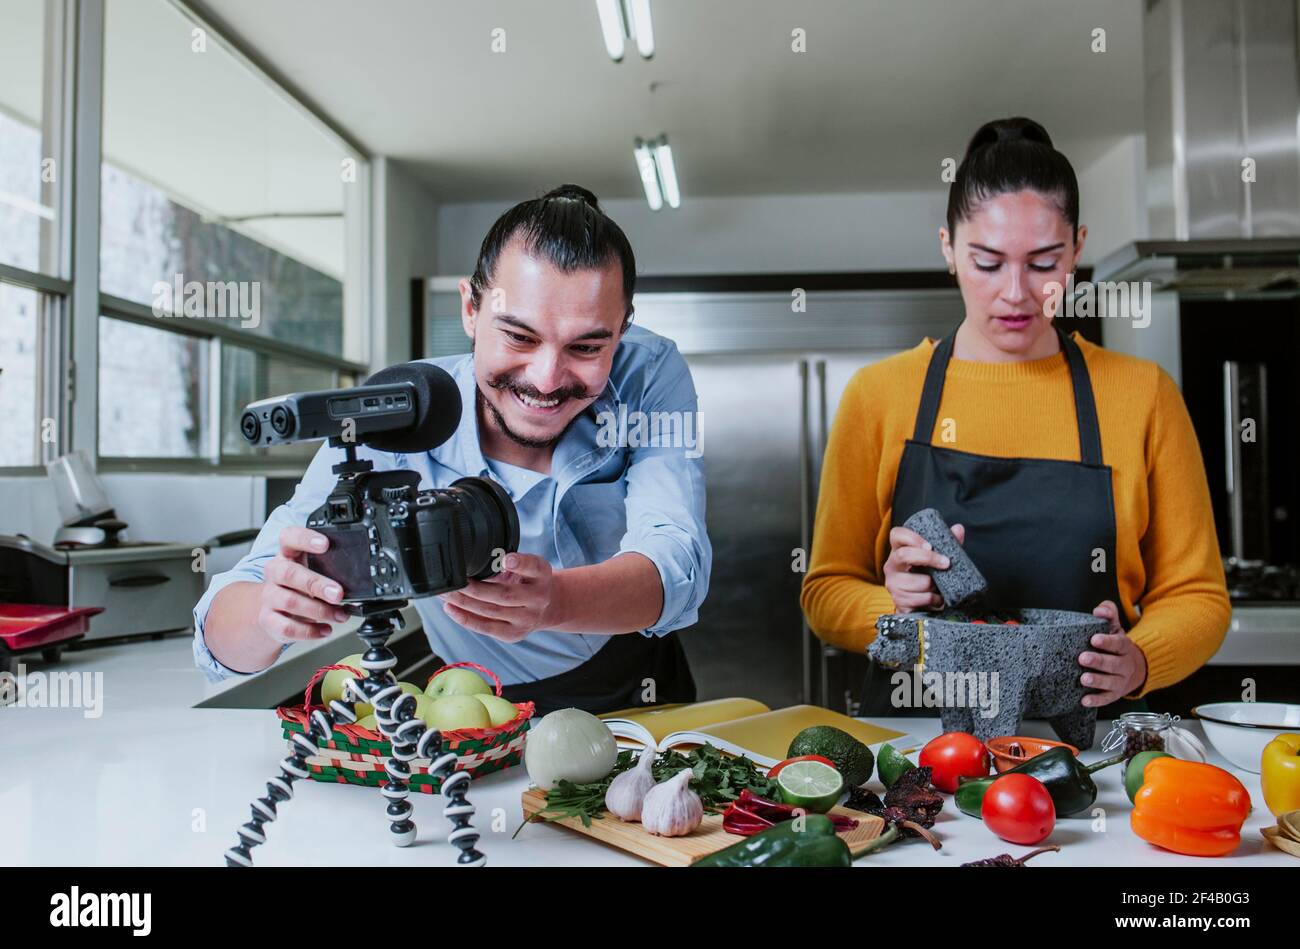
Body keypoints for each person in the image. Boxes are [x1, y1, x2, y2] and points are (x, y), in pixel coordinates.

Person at [193, 184, 710, 715]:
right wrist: (270, 612)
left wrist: (556, 601)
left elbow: (679, 560)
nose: (547, 380)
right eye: (519, 337)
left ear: (621, 333)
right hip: (476, 700)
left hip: (634, 676)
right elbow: (218, 643)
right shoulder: (394, 413)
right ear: (471, 308)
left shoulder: (650, 373)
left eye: (586, 348)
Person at [800, 117, 1230, 719]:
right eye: (988, 262)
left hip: (1089, 754)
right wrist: (893, 606)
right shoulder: (879, 395)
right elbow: (824, 591)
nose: (1016, 293)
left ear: (1077, 249)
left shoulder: (1143, 395)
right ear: (948, 249)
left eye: (1044, 262)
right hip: (920, 751)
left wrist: (1139, 659)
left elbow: (1199, 595)